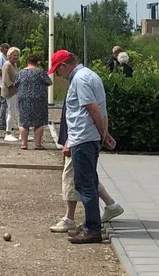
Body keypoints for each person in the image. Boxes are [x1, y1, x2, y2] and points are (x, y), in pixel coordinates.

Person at [48, 50, 115, 244]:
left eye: (57, 70)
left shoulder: (80, 79)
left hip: (84, 138)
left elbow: (92, 108)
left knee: (84, 185)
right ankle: (90, 224)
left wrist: (102, 133)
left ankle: (92, 229)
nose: (57, 74)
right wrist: (104, 132)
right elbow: (102, 109)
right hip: (88, 137)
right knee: (90, 182)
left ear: (64, 65)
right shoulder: (90, 75)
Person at [15, 53, 51, 149]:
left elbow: (16, 84)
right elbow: (48, 82)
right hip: (38, 98)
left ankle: (24, 143)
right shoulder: (40, 71)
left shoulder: (21, 72)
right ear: (37, 62)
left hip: (24, 98)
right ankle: (38, 144)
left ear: (28, 61)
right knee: (39, 122)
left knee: (23, 122)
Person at [1, 47, 20, 142]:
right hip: (9, 91)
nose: (16, 57)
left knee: (18, 111)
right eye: (14, 55)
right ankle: (8, 133)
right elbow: (5, 80)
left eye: (17, 55)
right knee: (11, 111)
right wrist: (14, 86)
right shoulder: (7, 65)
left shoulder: (14, 65)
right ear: (9, 56)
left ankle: (22, 132)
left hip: (15, 91)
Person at [0, 43, 10, 131]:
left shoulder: (3, 57)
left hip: (2, 83)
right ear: (4, 48)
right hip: (2, 83)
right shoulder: (0, 57)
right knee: (3, 104)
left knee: (2, 103)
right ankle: (2, 123)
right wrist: (7, 76)